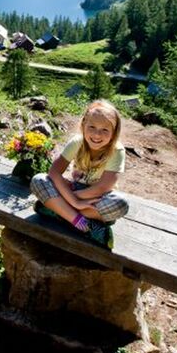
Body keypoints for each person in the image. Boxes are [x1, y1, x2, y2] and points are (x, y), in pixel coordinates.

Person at [29, 99, 130, 248]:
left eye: (105, 130)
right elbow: (54, 172)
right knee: (39, 180)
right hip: (74, 190)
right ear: (83, 125)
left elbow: (103, 187)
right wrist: (75, 202)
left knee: (120, 203)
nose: (97, 134)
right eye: (92, 127)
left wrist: (70, 199)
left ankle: (58, 210)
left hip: (95, 197)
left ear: (114, 132)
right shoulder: (77, 142)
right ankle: (84, 225)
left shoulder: (117, 151)